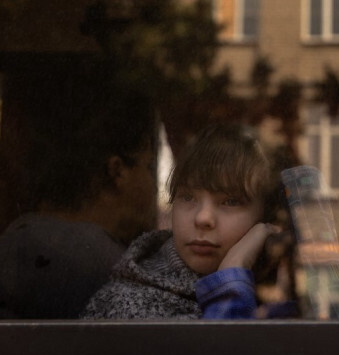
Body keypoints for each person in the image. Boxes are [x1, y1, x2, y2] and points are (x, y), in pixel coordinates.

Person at [0, 65, 157, 319]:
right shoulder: (101, 268)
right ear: (117, 171)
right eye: (148, 166)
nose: (153, 184)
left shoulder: (15, 239)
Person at [82, 123, 283, 319]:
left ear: (266, 215)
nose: (203, 218)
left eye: (230, 201)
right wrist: (231, 278)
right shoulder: (127, 308)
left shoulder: (285, 294)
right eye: (187, 197)